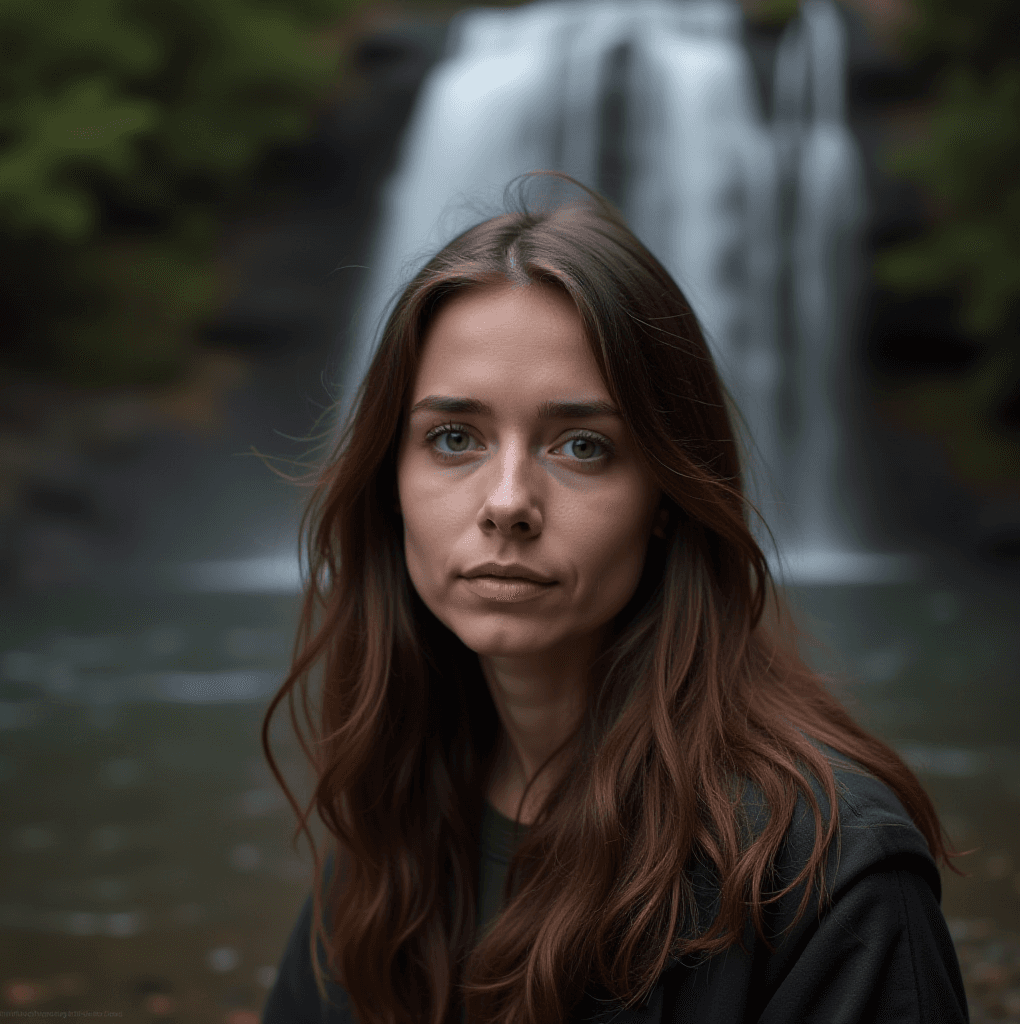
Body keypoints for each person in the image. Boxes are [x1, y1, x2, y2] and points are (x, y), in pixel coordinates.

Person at [260, 173, 970, 1024]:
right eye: (454, 438)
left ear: (667, 498)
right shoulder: (394, 816)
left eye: (582, 446)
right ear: (390, 481)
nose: (508, 501)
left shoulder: (822, 871)